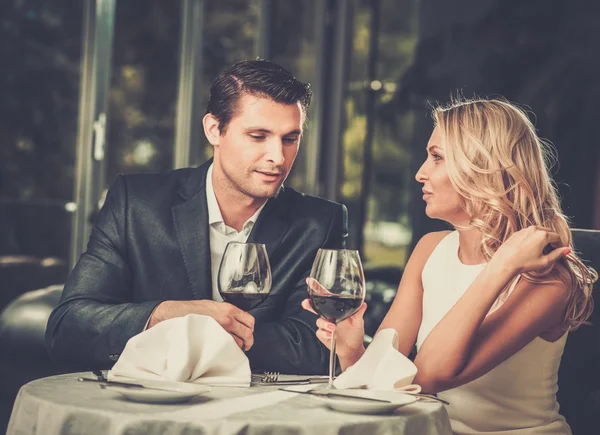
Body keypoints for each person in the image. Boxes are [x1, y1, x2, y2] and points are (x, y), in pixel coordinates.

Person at [303, 97, 596, 433]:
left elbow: (429, 375)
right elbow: (390, 387)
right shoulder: (430, 249)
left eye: (437, 157)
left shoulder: (548, 279)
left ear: (483, 166)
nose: (420, 173)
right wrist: (352, 350)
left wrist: (500, 267)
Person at [46, 59, 348, 375]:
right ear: (214, 129)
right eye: (258, 136)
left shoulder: (319, 223)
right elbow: (68, 327)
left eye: (290, 138)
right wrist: (168, 316)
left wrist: (207, 336)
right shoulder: (135, 204)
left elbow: (318, 346)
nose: (278, 157)